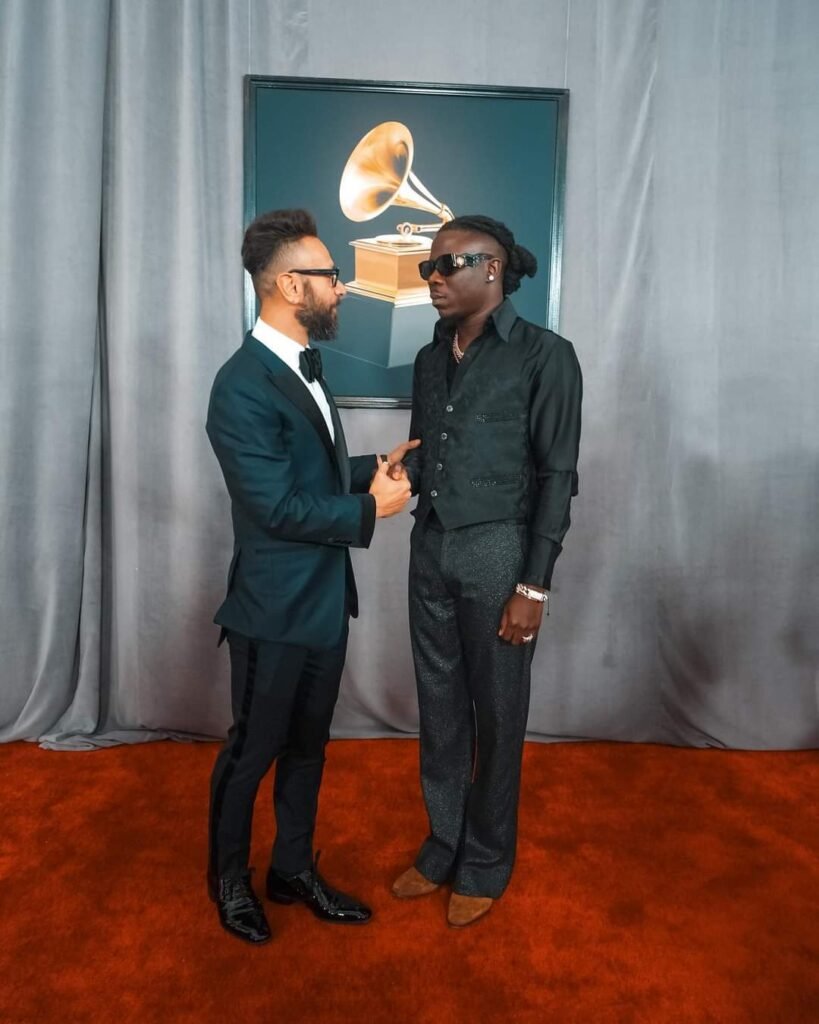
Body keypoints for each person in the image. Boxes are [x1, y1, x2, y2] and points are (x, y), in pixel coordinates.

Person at [206, 208, 416, 944]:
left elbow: (308, 474)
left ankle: (291, 869)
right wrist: (370, 509)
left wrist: (374, 468)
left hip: (324, 605)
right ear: (291, 285)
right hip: (271, 611)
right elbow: (273, 506)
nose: (342, 287)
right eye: (331, 275)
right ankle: (229, 880)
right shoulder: (240, 384)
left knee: (307, 748)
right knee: (251, 754)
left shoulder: (299, 363)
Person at [391, 214, 582, 927]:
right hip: (430, 547)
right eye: (427, 268)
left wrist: (533, 584)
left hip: (500, 552)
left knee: (498, 715)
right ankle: (444, 843)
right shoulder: (428, 358)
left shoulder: (545, 355)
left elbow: (556, 476)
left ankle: (485, 860)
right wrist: (389, 476)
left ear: (492, 268)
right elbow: (428, 454)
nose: (433, 278)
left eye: (448, 265)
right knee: (438, 709)